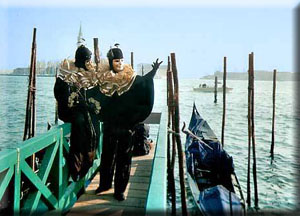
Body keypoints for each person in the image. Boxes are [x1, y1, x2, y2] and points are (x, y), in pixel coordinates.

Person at [93, 44, 162, 201]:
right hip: (110, 125)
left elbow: (145, 82)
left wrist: (153, 71)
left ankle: (120, 190)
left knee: (124, 159)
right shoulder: (104, 79)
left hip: (127, 127)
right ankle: (104, 184)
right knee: (107, 156)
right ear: (110, 62)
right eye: (116, 61)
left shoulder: (131, 78)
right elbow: (96, 96)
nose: (119, 63)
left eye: (121, 60)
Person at [54, 44, 101, 181]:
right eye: (88, 60)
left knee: (93, 123)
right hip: (70, 112)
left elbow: (95, 94)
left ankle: (87, 162)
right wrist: (79, 103)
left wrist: (89, 105)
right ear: (82, 60)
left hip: (83, 112)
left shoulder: (89, 75)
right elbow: (62, 97)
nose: (90, 63)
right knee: (80, 123)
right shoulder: (67, 76)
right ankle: (77, 167)